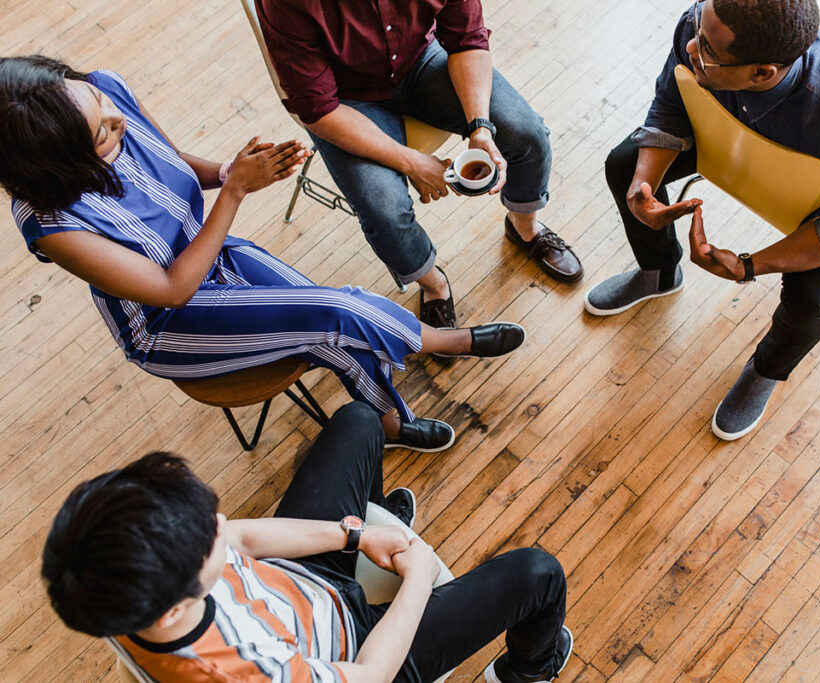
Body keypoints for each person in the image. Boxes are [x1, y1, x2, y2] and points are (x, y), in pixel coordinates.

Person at [0, 55, 530, 453]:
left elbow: (173, 161)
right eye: (103, 133)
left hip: (215, 254)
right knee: (338, 310)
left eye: (104, 104)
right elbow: (172, 290)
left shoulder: (102, 92)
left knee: (329, 320)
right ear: (61, 162)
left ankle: (390, 421)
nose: (117, 116)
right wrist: (234, 194)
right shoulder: (54, 225)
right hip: (167, 320)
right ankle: (441, 340)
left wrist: (231, 171)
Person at [41, 401, 573, 683]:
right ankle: (529, 670)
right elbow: (368, 676)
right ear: (176, 607)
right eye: (208, 539)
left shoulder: (112, 576)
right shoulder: (241, 672)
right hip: (358, 651)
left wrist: (358, 534)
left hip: (306, 589)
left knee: (359, 421)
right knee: (538, 574)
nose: (220, 524)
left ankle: (378, 513)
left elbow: (244, 537)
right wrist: (415, 579)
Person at [585, 0, 820, 440]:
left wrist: (747, 265)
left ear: (762, 73)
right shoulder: (703, 30)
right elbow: (672, 102)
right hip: (728, 133)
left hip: (819, 195)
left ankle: (766, 369)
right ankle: (659, 273)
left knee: (813, 297)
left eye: (709, 51)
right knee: (624, 164)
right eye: (699, 28)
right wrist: (644, 187)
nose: (692, 45)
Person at [255, 0, 584, 332]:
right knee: (384, 211)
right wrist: (412, 163)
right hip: (345, 99)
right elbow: (317, 109)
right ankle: (433, 285)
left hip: (420, 59)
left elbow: (467, 38)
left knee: (527, 133)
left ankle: (524, 228)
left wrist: (480, 126)